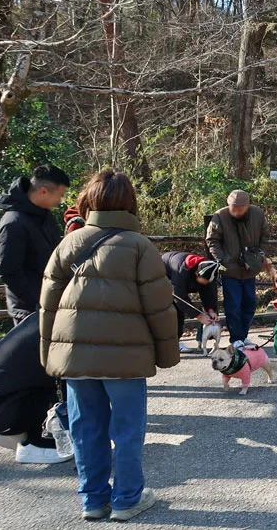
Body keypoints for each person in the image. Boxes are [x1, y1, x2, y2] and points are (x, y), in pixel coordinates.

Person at [40, 170, 179, 521]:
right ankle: (127, 499)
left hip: (74, 356)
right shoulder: (139, 246)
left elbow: (48, 306)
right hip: (126, 358)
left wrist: (48, 354)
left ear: (90, 200)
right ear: (129, 203)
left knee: (86, 429)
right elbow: (159, 306)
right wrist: (167, 355)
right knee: (128, 430)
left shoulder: (68, 243)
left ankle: (92, 500)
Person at [0, 313, 72, 464]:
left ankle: (18, 433)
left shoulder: (41, 319)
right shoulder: (57, 329)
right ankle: (37, 444)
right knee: (72, 386)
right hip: (0, 413)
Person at [0, 164, 70, 324]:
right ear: (43, 191)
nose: (60, 201)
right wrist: (36, 302)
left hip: (50, 304)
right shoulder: (13, 222)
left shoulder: (46, 217)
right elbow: (8, 271)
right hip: (28, 311)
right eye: (60, 195)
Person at [206, 189, 273, 349]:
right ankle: (235, 338)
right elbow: (212, 241)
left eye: (240, 209)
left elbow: (265, 235)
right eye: (233, 209)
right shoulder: (220, 216)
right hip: (230, 270)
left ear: (247, 205)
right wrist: (224, 260)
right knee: (233, 305)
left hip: (250, 268)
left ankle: (243, 336)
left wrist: (259, 256)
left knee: (250, 303)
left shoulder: (257, 214)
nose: (236, 212)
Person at [162, 252, 220, 352]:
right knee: (174, 312)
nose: (206, 283)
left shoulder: (206, 268)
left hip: (176, 283)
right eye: (205, 281)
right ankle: (168, 345)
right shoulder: (180, 270)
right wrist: (198, 315)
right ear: (197, 273)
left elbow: (207, 292)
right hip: (161, 278)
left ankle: (174, 343)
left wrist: (211, 310)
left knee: (179, 312)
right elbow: (179, 297)